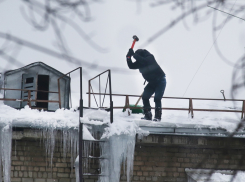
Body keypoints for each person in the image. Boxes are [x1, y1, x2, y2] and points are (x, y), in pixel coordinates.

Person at [126, 48, 166, 121]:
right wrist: (128, 57)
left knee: (157, 98)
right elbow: (131, 66)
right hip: (151, 83)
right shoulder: (140, 62)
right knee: (145, 97)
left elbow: (145, 61)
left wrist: (134, 55)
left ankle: (158, 117)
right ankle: (148, 115)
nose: (137, 61)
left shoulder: (150, 58)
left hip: (160, 81)